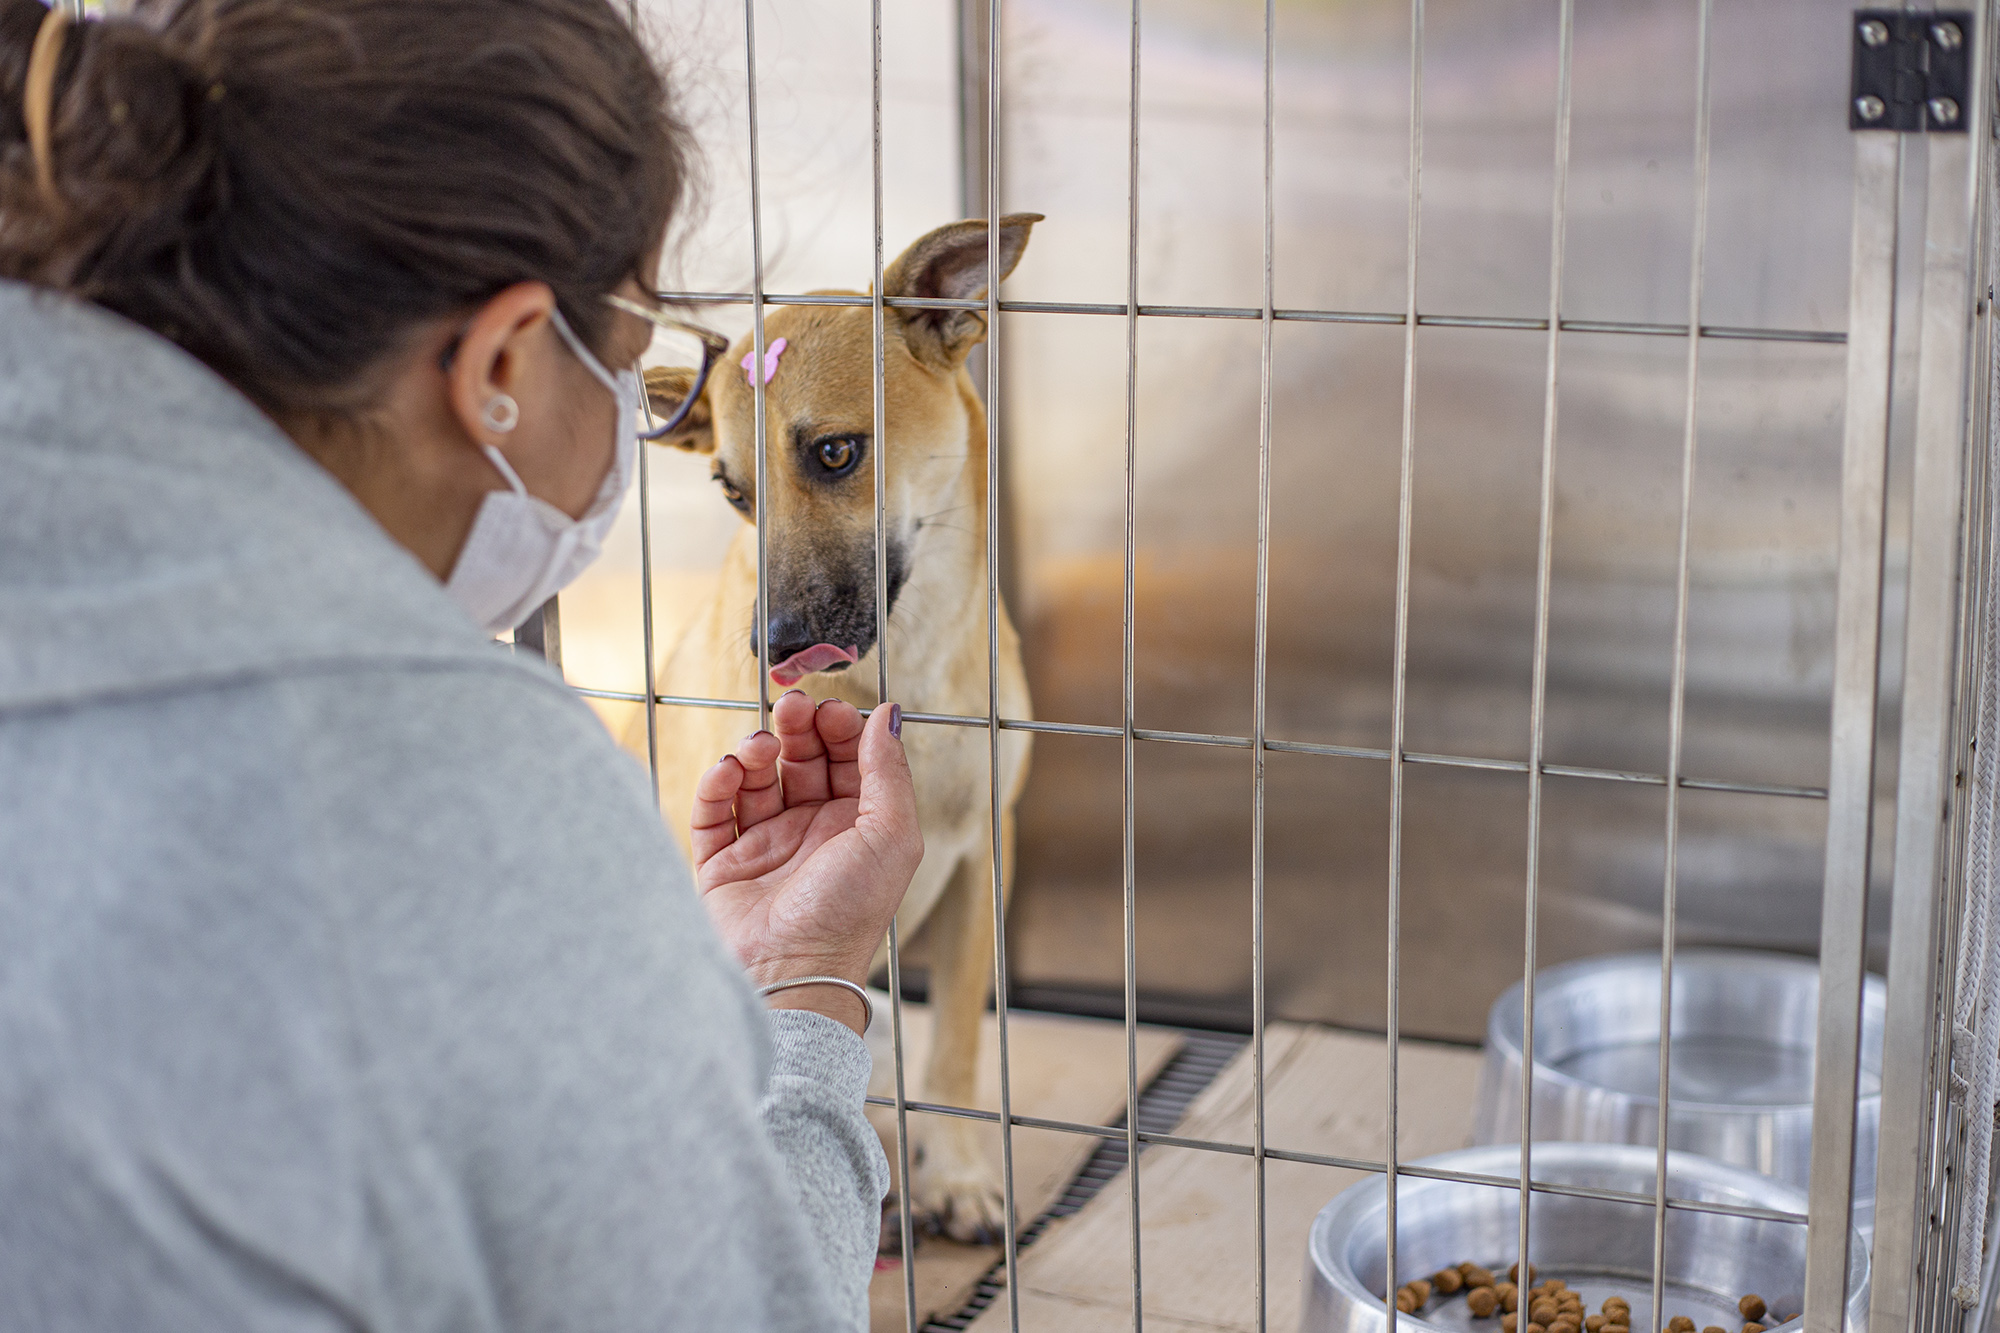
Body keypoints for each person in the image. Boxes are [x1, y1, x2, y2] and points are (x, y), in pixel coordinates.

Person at [0, 0, 923, 1328]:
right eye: (619, 366)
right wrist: (810, 987)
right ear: (499, 361)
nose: (620, 430)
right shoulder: (447, 781)